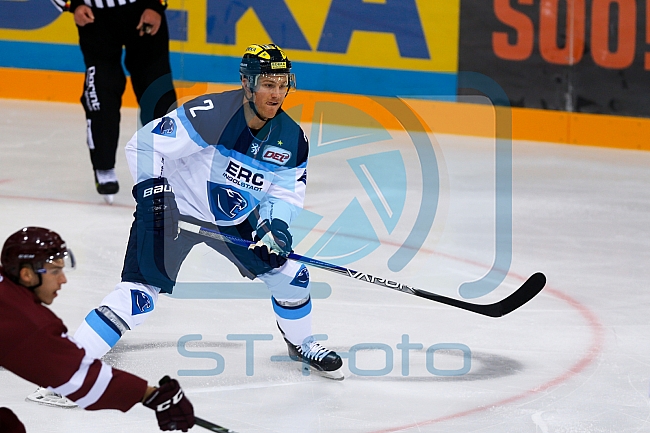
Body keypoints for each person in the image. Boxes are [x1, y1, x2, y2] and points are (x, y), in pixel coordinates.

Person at [68, 43, 344, 384]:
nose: (276, 93)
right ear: (247, 83)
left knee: (291, 277)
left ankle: (301, 343)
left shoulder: (291, 138)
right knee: (138, 296)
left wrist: (277, 227)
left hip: (230, 220)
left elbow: (284, 190)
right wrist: (155, 198)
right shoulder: (212, 113)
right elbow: (144, 145)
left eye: (283, 84)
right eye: (268, 84)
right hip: (172, 210)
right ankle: (67, 364)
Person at [1, 227, 194, 431]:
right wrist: (151, 395)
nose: (63, 279)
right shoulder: (24, 321)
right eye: (55, 271)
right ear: (27, 275)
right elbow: (78, 377)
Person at [51, 0, 177, 204]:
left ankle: (169, 166)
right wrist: (72, 4)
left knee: (157, 93)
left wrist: (155, 4)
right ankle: (104, 167)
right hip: (95, 18)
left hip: (141, 10)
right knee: (101, 92)